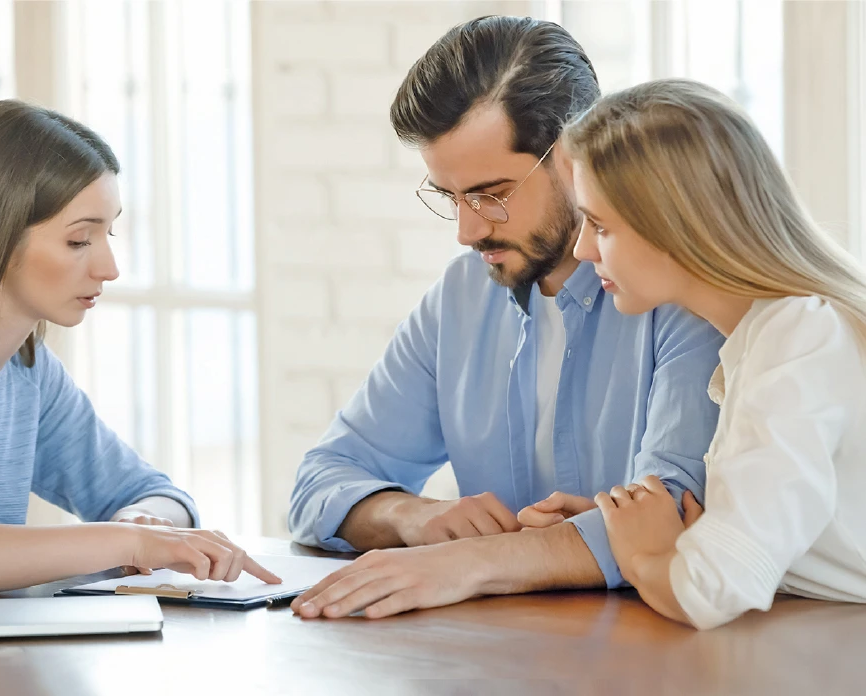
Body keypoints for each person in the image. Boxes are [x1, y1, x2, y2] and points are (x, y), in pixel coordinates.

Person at [289, 16, 723, 620]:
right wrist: (412, 517)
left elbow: (678, 516)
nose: (468, 231)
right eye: (450, 197)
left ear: (575, 156)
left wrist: (474, 563)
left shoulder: (677, 293)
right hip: (504, 659)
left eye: (492, 193)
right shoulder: (462, 295)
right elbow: (321, 479)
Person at [0, 99, 279, 599]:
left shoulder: (28, 370)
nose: (109, 268)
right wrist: (129, 542)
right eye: (80, 241)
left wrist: (144, 522)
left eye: (108, 232)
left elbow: (158, 496)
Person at [560, 78, 866, 630]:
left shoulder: (799, 336)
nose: (582, 250)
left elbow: (711, 589)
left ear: (673, 224)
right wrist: (635, 527)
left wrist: (644, 558)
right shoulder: (768, 338)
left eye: (600, 225)